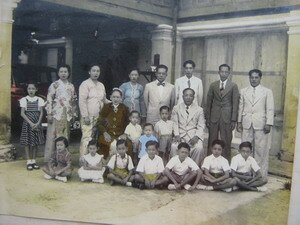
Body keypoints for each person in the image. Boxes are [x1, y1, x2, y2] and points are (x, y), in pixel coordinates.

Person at [237, 69, 274, 178]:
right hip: (246, 123)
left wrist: (269, 123)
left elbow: (270, 109)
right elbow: (240, 107)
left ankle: (260, 176)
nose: (253, 79)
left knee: (260, 150)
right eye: (251, 77)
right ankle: (245, 174)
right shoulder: (243, 91)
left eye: (256, 77)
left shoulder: (267, 92)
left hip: (261, 124)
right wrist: (239, 122)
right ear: (249, 78)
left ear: (260, 78)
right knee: (245, 149)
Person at [206, 64, 239, 161]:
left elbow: (235, 103)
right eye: (222, 71)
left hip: (227, 117)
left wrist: (233, 120)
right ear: (219, 72)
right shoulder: (213, 85)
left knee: (226, 140)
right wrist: (208, 118)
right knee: (212, 140)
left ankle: (225, 164)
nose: (224, 73)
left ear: (229, 73)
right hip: (214, 116)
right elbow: (209, 103)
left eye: (226, 72)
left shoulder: (233, 86)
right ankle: (209, 163)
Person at [44, 64, 77, 162]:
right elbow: (49, 99)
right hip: (56, 114)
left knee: (65, 136)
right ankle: (50, 160)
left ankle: (63, 160)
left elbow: (73, 101)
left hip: (67, 114)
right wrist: (49, 113)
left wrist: (74, 114)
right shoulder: (54, 85)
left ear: (68, 73)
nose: (63, 74)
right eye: (61, 72)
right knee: (52, 136)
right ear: (58, 73)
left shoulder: (71, 86)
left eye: (65, 72)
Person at [79, 64, 110, 156]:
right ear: (89, 72)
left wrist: (115, 103)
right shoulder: (85, 84)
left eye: (98, 71)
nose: (96, 73)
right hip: (88, 116)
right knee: (87, 138)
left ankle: (93, 160)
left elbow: (104, 100)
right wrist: (85, 116)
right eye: (93, 71)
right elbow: (82, 101)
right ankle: (83, 160)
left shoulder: (101, 85)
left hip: (99, 117)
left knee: (96, 139)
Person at [170, 88, 206, 166]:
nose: (188, 97)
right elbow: (174, 123)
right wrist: (176, 135)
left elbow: (201, 125)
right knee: (174, 146)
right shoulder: (176, 108)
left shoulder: (199, 110)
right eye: (186, 95)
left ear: (194, 97)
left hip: (193, 136)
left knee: (199, 148)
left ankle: (194, 169)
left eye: (191, 95)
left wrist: (196, 137)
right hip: (180, 135)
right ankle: (176, 168)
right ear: (182, 97)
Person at [96, 88, 129, 159]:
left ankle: (123, 164)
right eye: (114, 97)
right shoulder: (106, 107)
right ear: (110, 97)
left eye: (118, 97)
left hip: (120, 134)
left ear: (121, 98)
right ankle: (108, 164)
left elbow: (128, 123)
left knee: (127, 145)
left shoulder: (125, 108)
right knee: (106, 144)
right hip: (108, 134)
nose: (115, 99)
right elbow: (99, 123)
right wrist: (104, 133)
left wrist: (125, 133)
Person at [19, 82, 45, 170]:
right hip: (28, 123)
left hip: (36, 123)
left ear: (36, 90)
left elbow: (41, 112)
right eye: (29, 89)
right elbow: (22, 113)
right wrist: (30, 123)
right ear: (27, 90)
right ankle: (28, 161)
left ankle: (34, 160)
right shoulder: (24, 100)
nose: (31, 90)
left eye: (33, 89)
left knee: (35, 143)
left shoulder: (39, 99)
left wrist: (38, 123)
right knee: (27, 142)